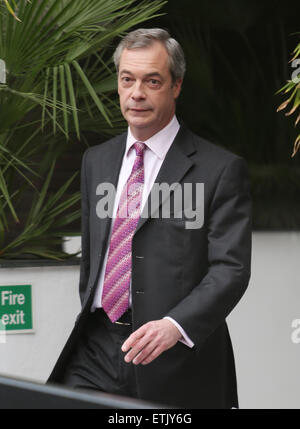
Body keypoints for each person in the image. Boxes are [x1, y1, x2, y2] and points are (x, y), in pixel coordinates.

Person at [48, 28, 252, 409]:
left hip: (175, 356)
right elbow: (97, 256)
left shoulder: (220, 169)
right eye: (127, 79)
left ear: (176, 86)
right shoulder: (97, 160)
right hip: (96, 348)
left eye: (151, 81)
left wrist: (174, 326)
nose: (136, 93)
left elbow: (231, 269)